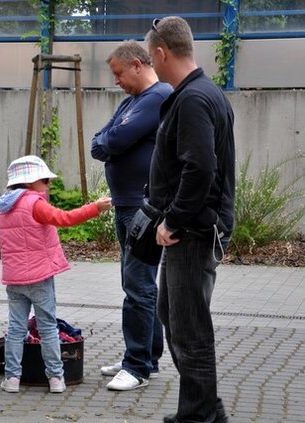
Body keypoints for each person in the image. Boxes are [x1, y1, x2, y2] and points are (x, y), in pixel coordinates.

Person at [145, 16, 235, 423]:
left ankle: (199, 417)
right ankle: (206, 410)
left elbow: (200, 167)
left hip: (193, 231)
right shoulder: (202, 94)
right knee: (172, 317)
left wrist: (173, 221)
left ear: (162, 53)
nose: (152, 66)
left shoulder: (195, 99)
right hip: (195, 227)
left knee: (189, 329)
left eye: (151, 58)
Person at [0, 155, 113, 394]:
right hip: (40, 278)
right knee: (47, 327)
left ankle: (12, 379)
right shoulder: (35, 203)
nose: (48, 184)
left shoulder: (3, 207)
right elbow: (65, 219)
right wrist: (95, 207)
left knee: (15, 329)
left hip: (14, 279)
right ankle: (55, 378)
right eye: (45, 179)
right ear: (32, 182)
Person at [91, 40, 172, 391]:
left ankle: (136, 365)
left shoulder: (158, 97)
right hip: (125, 205)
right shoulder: (131, 102)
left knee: (137, 285)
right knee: (137, 284)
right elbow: (99, 142)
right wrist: (111, 141)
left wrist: (112, 141)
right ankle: (145, 357)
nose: (116, 81)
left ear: (138, 65)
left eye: (119, 73)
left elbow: (116, 138)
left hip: (142, 207)